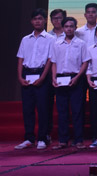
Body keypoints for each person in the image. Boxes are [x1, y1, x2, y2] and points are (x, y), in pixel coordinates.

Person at [15, 9, 55, 150]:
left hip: (41, 74)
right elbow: (20, 59)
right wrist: (20, 77)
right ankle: (29, 138)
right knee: (27, 108)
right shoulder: (25, 39)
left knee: (43, 108)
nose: (37, 21)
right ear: (31, 21)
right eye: (35, 19)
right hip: (27, 74)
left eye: (40, 18)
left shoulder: (50, 39)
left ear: (45, 20)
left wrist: (43, 77)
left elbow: (50, 59)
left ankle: (42, 138)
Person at [50, 16, 89, 149]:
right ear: (63, 28)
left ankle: (78, 140)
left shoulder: (81, 44)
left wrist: (77, 77)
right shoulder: (57, 44)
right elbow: (54, 62)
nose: (69, 29)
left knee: (77, 111)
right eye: (66, 26)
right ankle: (63, 140)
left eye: (71, 26)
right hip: (61, 79)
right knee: (62, 111)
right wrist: (53, 78)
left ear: (75, 28)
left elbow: (85, 62)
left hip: (76, 79)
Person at [47, 8, 66, 144]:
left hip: (67, 74)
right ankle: (47, 133)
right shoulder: (48, 36)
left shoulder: (71, 34)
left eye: (59, 18)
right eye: (54, 18)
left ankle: (69, 136)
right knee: (47, 105)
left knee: (66, 106)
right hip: (49, 73)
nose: (57, 21)